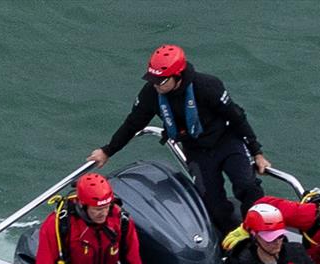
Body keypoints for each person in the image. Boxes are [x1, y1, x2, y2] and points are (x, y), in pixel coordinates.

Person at [87, 44, 270, 235]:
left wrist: (256, 152)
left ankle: (259, 233)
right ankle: (234, 241)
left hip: (227, 142)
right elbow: (133, 124)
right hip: (197, 151)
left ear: (178, 76)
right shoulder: (151, 93)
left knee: (247, 186)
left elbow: (237, 117)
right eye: (153, 80)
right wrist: (107, 151)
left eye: (162, 81)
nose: (156, 85)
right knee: (213, 206)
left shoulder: (208, 86)